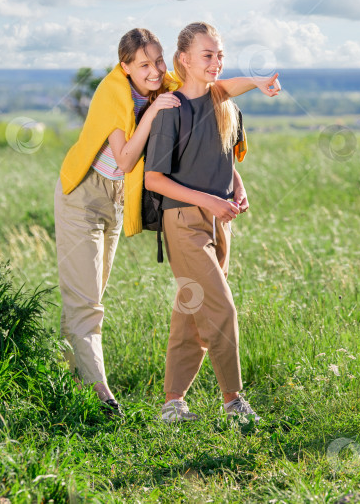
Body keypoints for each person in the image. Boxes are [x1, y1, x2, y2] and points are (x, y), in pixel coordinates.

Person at [54, 28, 280, 416]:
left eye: (158, 61)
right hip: (84, 195)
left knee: (101, 294)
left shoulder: (169, 83)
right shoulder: (114, 93)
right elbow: (125, 161)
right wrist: (156, 112)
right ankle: (101, 398)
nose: (155, 71)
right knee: (87, 301)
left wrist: (257, 83)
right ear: (125, 67)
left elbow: (215, 88)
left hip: (117, 199)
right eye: (144, 65)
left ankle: (165, 400)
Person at [145, 22, 260, 424]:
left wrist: (236, 186)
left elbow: (224, 158)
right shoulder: (170, 110)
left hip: (220, 221)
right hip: (183, 222)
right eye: (207, 55)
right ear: (184, 60)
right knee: (221, 309)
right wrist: (209, 200)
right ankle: (234, 402)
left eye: (220, 55)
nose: (216, 62)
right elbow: (154, 180)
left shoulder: (227, 105)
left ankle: (172, 403)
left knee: (191, 311)